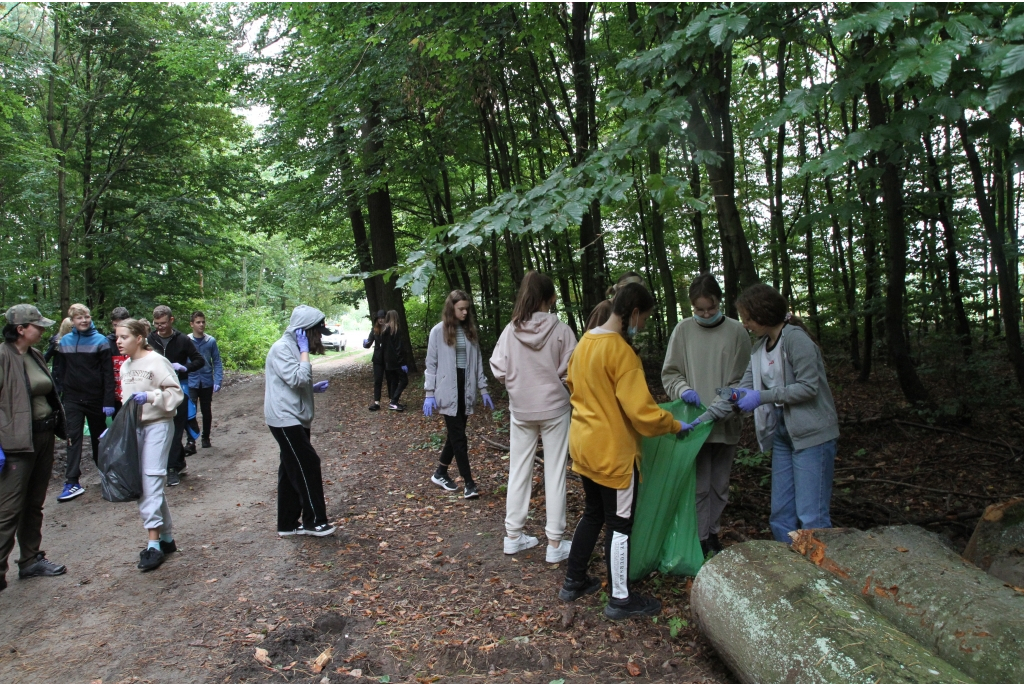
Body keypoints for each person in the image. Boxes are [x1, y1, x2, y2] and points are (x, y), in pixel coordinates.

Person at [559, 283, 686, 621]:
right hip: (614, 453)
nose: (642, 325)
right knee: (619, 524)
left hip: (584, 445)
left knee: (592, 513)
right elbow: (642, 414)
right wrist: (674, 424)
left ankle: (573, 581)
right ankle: (620, 598)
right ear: (633, 313)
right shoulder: (621, 352)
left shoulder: (586, 341)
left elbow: (572, 384)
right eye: (643, 318)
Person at [692, 283, 839, 542]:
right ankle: (787, 567)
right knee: (781, 513)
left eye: (748, 319)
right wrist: (701, 420)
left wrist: (762, 397)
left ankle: (819, 572)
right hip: (782, 433)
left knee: (811, 516)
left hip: (812, 433)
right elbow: (740, 390)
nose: (745, 325)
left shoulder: (795, 339)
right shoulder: (760, 348)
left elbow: (808, 388)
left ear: (763, 314)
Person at [490, 271, 577, 563]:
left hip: (522, 409)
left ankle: (513, 537)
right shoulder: (562, 330)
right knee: (555, 472)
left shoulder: (510, 331)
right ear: (551, 298)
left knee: (518, 470)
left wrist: (516, 385)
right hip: (555, 409)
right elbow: (573, 370)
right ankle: (555, 543)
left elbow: (498, 368)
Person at [661, 273, 751, 556]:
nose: (706, 313)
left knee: (720, 485)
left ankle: (713, 533)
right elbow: (671, 373)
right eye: (699, 309)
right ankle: (700, 538)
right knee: (699, 487)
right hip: (694, 425)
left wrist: (722, 406)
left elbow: (744, 379)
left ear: (719, 302)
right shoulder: (683, 330)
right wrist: (683, 390)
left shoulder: (737, 332)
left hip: (725, 421)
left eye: (710, 308)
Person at [0, 305, 67, 590]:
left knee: (34, 504)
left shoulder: (35, 354)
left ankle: (29, 560)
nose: (42, 329)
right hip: (15, 444)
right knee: (9, 508)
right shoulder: (3, 357)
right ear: (20, 329)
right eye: (37, 325)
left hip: (42, 436)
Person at [114, 318, 184, 572]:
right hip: (136, 430)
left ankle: (152, 544)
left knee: (150, 480)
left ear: (139, 338)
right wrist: (117, 429)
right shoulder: (125, 367)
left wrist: (152, 396)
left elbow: (176, 393)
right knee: (147, 483)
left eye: (123, 337)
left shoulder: (157, 361)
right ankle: (166, 539)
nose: (118, 341)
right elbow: (126, 403)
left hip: (158, 426)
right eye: (117, 337)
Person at [264, 305, 335, 537]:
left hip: (295, 415)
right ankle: (314, 521)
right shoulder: (283, 348)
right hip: (284, 418)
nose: (318, 341)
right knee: (308, 463)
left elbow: (290, 382)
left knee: (289, 467)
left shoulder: (292, 348)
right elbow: (297, 378)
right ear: (303, 332)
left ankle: (286, 523)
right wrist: (304, 354)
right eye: (316, 334)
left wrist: (311, 389)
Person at [424, 290, 493, 500]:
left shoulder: (470, 331)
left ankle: (440, 472)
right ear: (451, 308)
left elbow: (478, 361)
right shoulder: (438, 332)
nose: (464, 312)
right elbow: (431, 364)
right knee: (459, 437)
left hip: (467, 387)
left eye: (466, 309)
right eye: (460, 308)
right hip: (447, 388)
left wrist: (483, 388)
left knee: (456, 434)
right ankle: (469, 483)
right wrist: (429, 392)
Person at [56, 303, 116, 502]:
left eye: (86, 317)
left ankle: (106, 474)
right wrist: (60, 394)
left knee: (99, 439)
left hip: (96, 399)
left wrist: (108, 401)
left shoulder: (101, 341)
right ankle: (72, 481)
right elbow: (59, 370)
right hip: (72, 399)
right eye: (79, 318)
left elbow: (108, 374)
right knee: (73, 439)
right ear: (72, 321)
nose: (83, 321)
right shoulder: (65, 342)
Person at [148, 305, 204, 486]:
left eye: (163, 323)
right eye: (156, 324)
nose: (160, 327)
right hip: (157, 391)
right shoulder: (150, 340)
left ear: (171, 320)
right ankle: (178, 462)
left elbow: (199, 360)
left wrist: (184, 367)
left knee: (175, 431)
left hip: (178, 390)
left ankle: (171, 469)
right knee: (164, 429)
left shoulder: (182, 340)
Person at [187, 311, 223, 448]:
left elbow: (217, 362)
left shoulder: (210, 341)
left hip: (207, 380)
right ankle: (191, 439)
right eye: (198, 322)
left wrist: (218, 380)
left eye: (203, 322)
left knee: (206, 410)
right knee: (191, 411)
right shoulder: (187, 341)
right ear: (192, 324)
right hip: (191, 380)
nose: (201, 324)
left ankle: (206, 437)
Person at [381, 310, 408, 411]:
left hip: (388, 361)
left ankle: (393, 401)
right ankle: (393, 401)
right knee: (404, 380)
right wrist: (402, 362)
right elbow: (398, 348)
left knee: (394, 380)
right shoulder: (395, 330)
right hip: (396, 361)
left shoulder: (384, 330)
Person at [107, 307, 131, 413]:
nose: (118, 329)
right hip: (116, 395)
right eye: (115, 325)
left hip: (133, 393)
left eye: (121, 325)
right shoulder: (107, 342)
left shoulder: (137, 341)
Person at [362, 310, 387, 411]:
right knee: (378, 380)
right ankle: (377, 402)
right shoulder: (374, 330)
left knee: (391, 380)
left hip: (388, 358)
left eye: (382, 318)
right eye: (379, 318)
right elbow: (369, 342)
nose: (381, 320)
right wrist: (366, 344)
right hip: (377, 358)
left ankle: (393, 401)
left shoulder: (389, 329)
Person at [43, 317, 73, 396]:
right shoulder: (56, 342)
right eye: (71, 327)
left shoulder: (77, 340)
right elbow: (46, 357)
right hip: (59, 374)